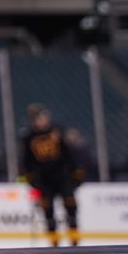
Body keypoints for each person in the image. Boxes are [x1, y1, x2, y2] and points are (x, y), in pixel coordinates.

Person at [19, 105, 80, 246]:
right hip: (44, 179)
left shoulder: (56, 132)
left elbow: (67, 153)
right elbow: (27, 160)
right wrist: (30, 177)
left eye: (44, 117)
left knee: (70, 205)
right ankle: (54, 244)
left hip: (61, 175)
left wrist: (75, 171)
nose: (43, 121)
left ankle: (75, 240)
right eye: (39, 118)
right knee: (48, 211)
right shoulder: (29, 138)